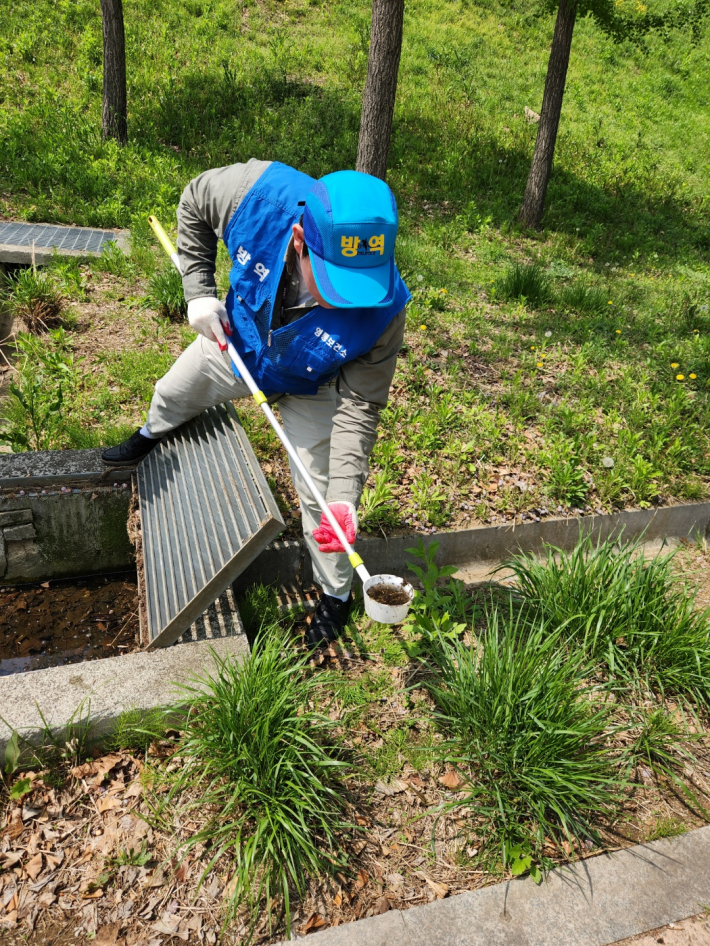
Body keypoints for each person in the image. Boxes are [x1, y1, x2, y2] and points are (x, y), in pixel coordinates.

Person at [102, 159, 411, 647]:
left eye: (359, 290)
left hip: (313, 381)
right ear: (297, 240)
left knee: (324, 497)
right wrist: (198, 293)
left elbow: (361, 406)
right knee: (172, 392)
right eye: (334, 285)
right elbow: (193, 200)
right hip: (237, 344)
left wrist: (346, 496)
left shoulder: (386, 311)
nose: (350, 305)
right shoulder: (255, 195)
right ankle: (149, 435)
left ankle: (335, 595)